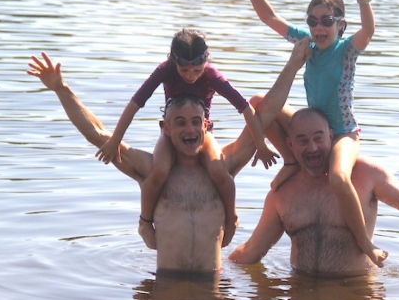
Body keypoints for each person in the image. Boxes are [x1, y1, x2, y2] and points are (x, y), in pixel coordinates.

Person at [26, 38, 312, 274]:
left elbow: (266, 113)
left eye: (195, 122)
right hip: (164, 292)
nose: (189, 129)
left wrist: (294, 63)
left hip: (210, 291)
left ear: (205, 125)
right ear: (166, 129)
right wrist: (61, 90)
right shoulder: (152, 171)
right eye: (179, 122)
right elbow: (98, 135)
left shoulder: (222, 166)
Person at [233, 0, 385, 267]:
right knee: (260, 102)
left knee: (340, 179)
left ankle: (366, 244)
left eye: (326, 21)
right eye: (313, 21)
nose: (318, 28)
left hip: (342, 133)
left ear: (340, 25)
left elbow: (368, 31)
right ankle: (292, 161)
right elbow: (269, 18)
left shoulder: (346, 50)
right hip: (313, 128)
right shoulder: (308, 44)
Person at [95, 29, 278, 247]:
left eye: (196, 69)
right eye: (184, 70)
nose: (190, 75)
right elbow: (135, 104)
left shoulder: (212, 75)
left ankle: (232, 218)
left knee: (219, 170)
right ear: (173, 60)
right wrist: (115, 140)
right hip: (171, 131)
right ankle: (145, 221)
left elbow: (246, 109)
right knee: (159, 169)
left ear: (206, 60)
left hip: (203, 132)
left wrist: (261, 144)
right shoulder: (165, 70)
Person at [229, 107, 399, 276]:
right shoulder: (281, 194)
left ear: (331, 137)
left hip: (356, 291)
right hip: (300, 294)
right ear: (290, 145)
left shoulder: (366, 173)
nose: (312, 148)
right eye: (302, 141)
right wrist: (218, 273)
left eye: (318, 138)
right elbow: (252, 250)